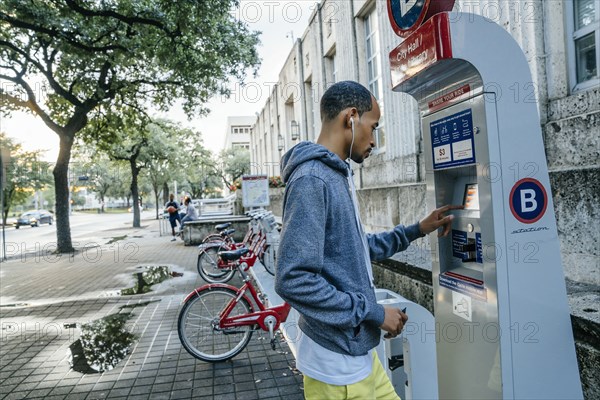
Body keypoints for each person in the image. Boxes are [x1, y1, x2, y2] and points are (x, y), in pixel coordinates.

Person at [275, 81, 461, 399]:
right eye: (373, 127)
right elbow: (292, 279)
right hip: (335, 369)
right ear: (351, 117)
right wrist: (375, 314)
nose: (374, 140)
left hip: (359, 354)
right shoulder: (312, 180)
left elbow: (358, 247)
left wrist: (417, 229)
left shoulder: (336, 175)